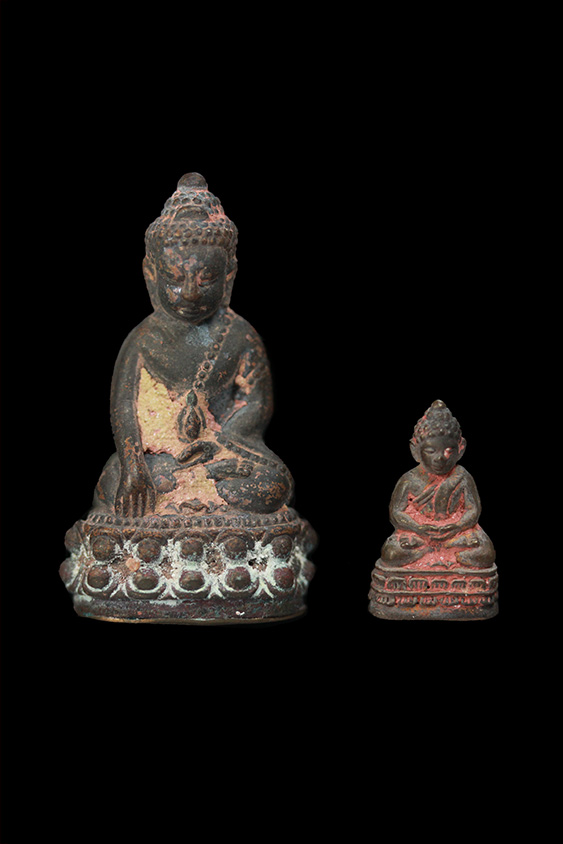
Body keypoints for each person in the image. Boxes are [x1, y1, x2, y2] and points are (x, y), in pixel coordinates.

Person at [93, 173, 293, 518]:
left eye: (206, 279)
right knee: (115, 481)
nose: (189, 293)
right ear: (151, 275)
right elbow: (123, 409)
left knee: (274, 483)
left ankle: (198, 493)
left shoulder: (239, 334)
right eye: (174, 279)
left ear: (229, 275)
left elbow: (257, 403)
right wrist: (134, 468)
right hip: (162, 460)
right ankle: (188, 494)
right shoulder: (143, 339)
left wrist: (220, 441)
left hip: (221, 452)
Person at [380, 400, 495, 569]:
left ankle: (442, 553)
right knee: (391, 553)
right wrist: (418, 527)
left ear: (461, 449)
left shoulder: (462, 476)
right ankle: (434, 554)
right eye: (430, 451)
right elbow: (396, 512)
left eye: (448, 451)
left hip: (455, 534)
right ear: (415, 450)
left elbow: (473, 510)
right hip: (419, 534)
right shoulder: (409, 479)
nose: (440, 458)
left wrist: (457, 526)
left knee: (485, 553)